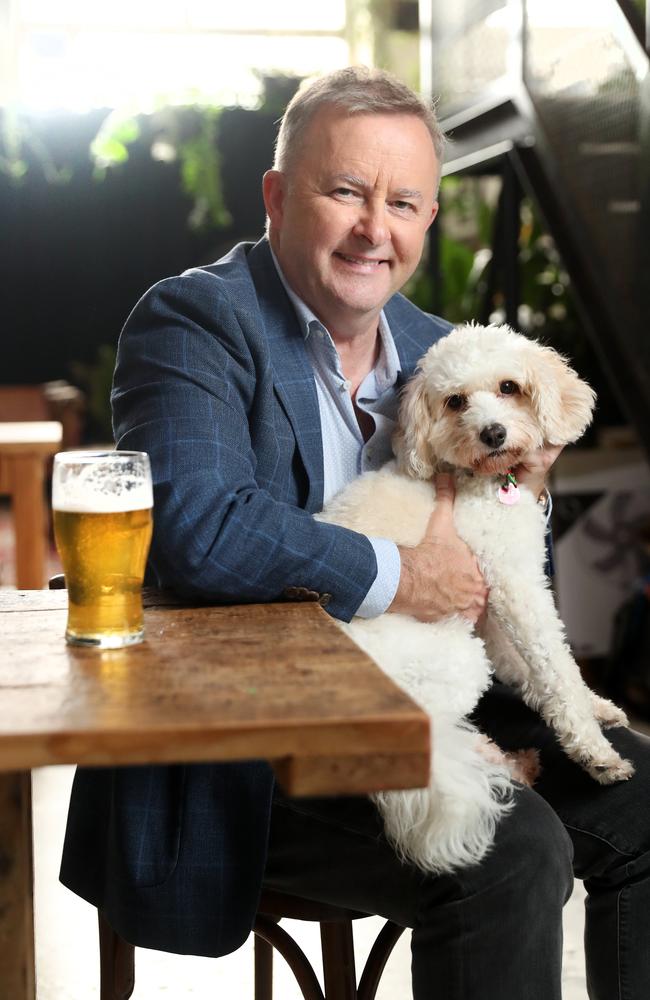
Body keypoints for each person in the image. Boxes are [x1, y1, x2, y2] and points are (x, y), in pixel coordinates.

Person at [60, 67, 650, 999]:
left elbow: (491, 565)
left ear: (428, 217)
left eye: (405, 202)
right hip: (254, 744)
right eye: (347, 191)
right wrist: (400, 573)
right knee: (513, 849)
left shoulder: (443, 351)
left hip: (431, 695)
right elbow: (197, 531)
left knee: (643, 798)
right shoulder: (194, 320)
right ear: (277, 196)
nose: (378, 229)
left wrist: (521, 495)